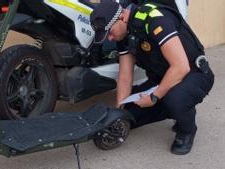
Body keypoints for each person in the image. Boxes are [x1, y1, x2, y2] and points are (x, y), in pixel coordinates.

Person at [90, 0, 214, 155]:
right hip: (162, 79)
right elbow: (125, 77)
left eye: (109, 32)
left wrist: (154, 97)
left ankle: (187, 129)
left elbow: (181, 67)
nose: (110, 38)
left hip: (194, 74)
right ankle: (173, 107)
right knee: (128, 113)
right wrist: (119, 112)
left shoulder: (154, 20)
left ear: (121, 17)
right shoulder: (124, 34)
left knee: (175, 100)